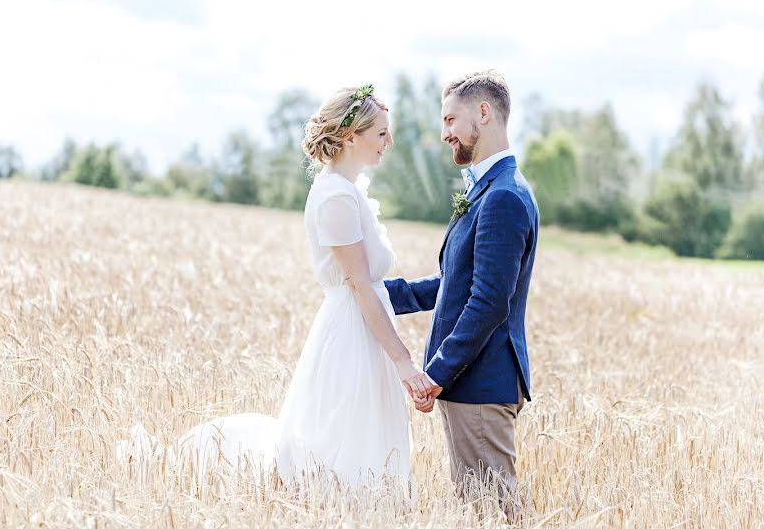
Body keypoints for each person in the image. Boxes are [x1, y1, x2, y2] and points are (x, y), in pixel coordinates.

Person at [117, 84, 433, 492]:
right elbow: (360, 287)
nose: (389, 141)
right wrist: (403, 362)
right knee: (339, 445)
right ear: (352, 136)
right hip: (353, 331)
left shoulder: (350, 189)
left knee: (360, 438)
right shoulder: (335, 196)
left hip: (366, 327)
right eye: (381, 133)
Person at [385, 70, 539, 501]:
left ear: (484, 113)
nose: (444, 133)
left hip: (482, 384)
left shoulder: (503, 197)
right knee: (481, 511)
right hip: (473, 385)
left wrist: (435, 374)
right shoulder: (489, 190)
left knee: (493, 512)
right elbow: (456, 283)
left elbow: (489, 303)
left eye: (451, 120)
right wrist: (383, 294)